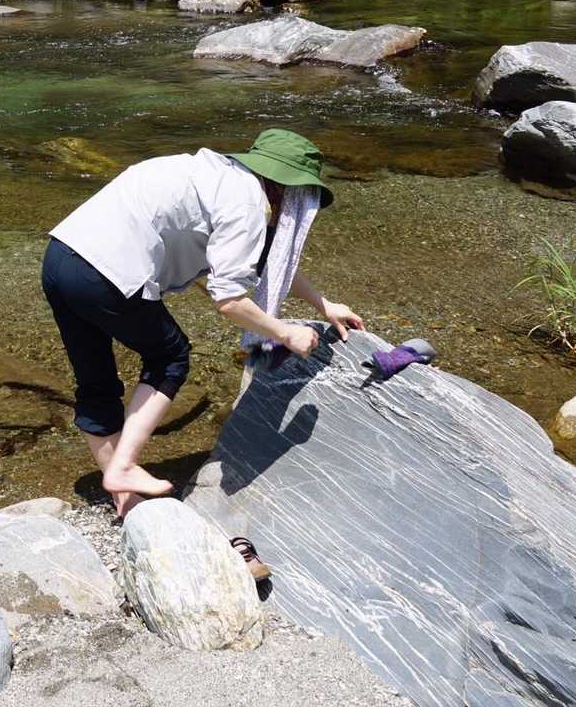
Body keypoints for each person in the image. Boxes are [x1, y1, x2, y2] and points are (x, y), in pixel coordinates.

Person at [40, 128, 363, 519]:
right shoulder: (248, 205)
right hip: (108, 272)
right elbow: (229, 301)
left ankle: (122, 494)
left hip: (60, 258)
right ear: (286, 190)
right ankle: (123, 466)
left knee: (96, 381)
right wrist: (285, 333)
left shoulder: (213, 174)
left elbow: (269, 261)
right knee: (170, 356)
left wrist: (324, 305)